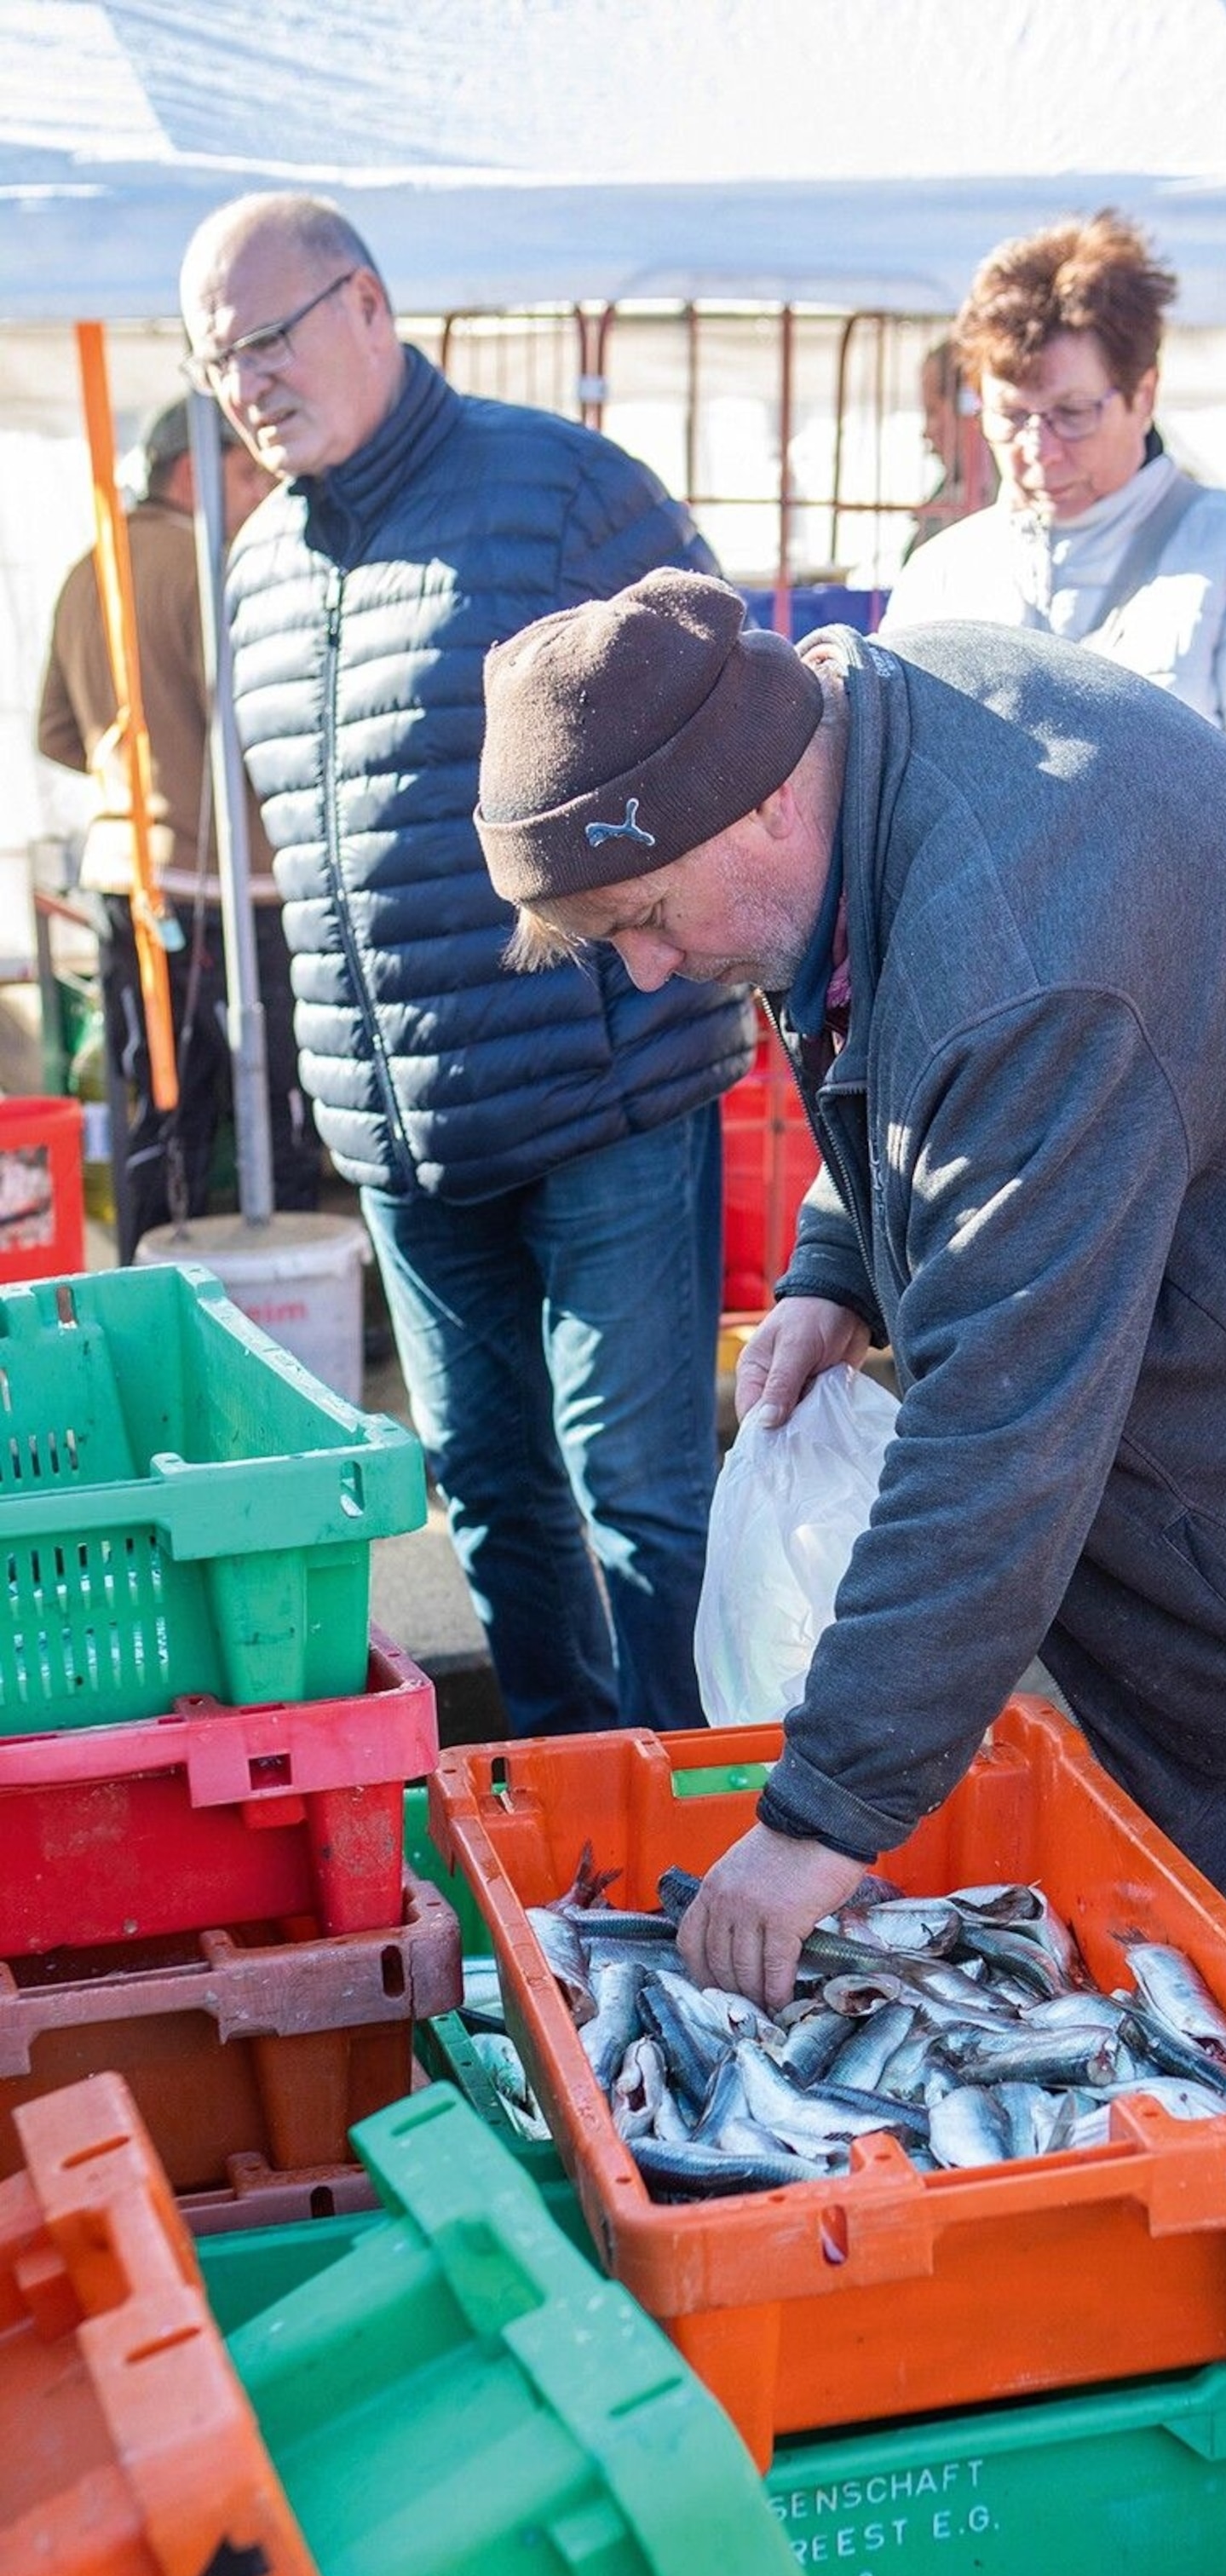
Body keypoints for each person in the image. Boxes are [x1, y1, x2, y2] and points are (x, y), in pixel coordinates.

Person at [474, 570, 1226, 2487]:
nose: (649, 971)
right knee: (1214, 1894)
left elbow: (1001, 1431)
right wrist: (844, 1258)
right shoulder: (861, 734)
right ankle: (1202, 2287)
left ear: (754, 798)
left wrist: (821, 1820)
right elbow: (879, 1043)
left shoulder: (1025, 942)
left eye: (644, 919)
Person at [178, 192, 753, 1736]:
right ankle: (567, 1818)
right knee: (490, 1493)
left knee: (639, 1488)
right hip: (404, 1137)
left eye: (268, 339)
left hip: (601, 1099)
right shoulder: (254, 563)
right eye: (218, 358)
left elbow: (733, 726)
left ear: (367, 303)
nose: (247, 381)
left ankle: (695, 1811)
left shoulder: (563, 494)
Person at [881, 210, 1226, 846]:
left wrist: (1118, 864)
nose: (1038, 449)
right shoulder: (943, 573)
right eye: (1010, 415)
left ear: (1145, 394)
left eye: (1072, 414)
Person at [36, 396, 321, 1259]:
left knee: (158, 1103)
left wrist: (137, 780)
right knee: (273, 1103)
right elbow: (255, 724)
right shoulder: (213, 564)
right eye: (247, 474)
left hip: (127, 874)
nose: (265, 493)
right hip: (231, 885)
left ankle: (141, 1292)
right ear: (193, 471)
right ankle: (277, 1311)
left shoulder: (90, 567)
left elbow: (53, 730)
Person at [902, 338, 993, 561]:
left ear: (970, 413)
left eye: (932, 412)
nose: (925, 432)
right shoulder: (949, 491)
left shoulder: (986, 497)